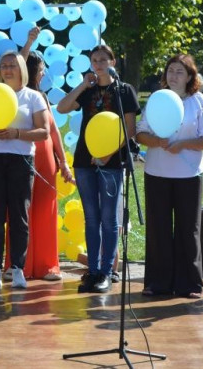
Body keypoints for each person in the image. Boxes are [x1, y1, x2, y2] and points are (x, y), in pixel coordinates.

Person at [57, 45, 140, 294]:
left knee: (108, 219)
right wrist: (84, 85)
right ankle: (92, 271)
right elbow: (62, 107)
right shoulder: (88, 90)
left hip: (112, 162)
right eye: (94, 60)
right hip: (85, 160)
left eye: (104, 59)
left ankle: (107, 271)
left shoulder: (124, 90)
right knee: (91, 218)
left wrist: (107, 153)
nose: (99, 63)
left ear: (112, 61)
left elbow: (130, 130)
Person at [136, 54, 203, 299]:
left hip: (189, 175)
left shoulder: (199, 102)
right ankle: (157, 282)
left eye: (179, 72)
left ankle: (189, 284)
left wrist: (182, 144)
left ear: (190, 76)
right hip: (156, 172)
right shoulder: (156, 99)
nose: (173, 76)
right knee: (158, 227)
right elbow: (140, 134)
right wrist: (158, 141)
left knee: (187, 228)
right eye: (170, 71)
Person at [0, 51, 49, 290]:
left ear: (21, 70)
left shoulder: (33, 97)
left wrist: (17, 133)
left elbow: (44, 131)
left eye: (12, 65)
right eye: (3, 66)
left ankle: (17, 269)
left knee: (19, 217)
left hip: (21, 161)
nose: (7, 70)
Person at [7, 51, 74, 281]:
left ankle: (46, 265)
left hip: (45, 159)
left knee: (45, 209)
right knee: (19, 210)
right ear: (35, 70)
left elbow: (53, 130)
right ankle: (18, 265)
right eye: (42, 67)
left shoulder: (41, 97)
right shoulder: (13, 96)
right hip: (22, 155)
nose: (44, 72)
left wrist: (63, 161)